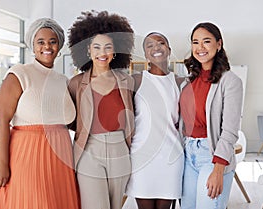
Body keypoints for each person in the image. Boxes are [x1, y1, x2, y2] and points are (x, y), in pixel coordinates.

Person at [0, 18, 80, 209]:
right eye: (41, 42)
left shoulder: (64, 80)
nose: (47, 46)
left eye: (52, 41)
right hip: (27, 154)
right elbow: (2, 121)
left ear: (59, 46)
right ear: (32, 45)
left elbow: (71, 120)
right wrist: (3, 163)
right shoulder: (19, 73)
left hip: (62, 156)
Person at [67, 11, 135, 209]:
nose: (102, 52)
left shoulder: (127, 82)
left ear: (115, 52)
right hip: (89, 150)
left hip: (120, 150)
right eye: (96, 47)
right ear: (88, 50)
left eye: (107, 47)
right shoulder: (76, 84)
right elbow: (70, 120)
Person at [179, 22, 243, 209]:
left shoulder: (230, 81)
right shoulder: (188, 82)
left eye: (206, 41)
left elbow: (230, 130)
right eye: (195, 42)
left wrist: (218, 168)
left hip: (212, 155)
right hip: (188, 153)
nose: (200, 48)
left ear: (219, 44)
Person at [125, 32, 184, 209]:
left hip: (171, 158)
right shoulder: (135, 80)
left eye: (161, 43)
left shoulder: (181, 82)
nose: (156, 47)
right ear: (145, 54)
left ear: (169, 49)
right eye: (149, 45)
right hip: (142, 158)